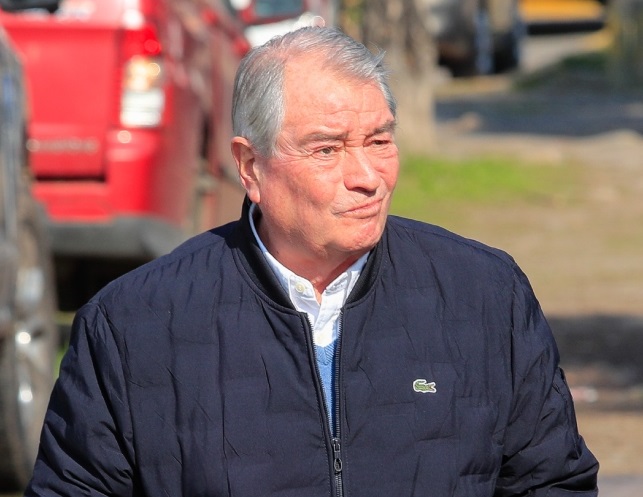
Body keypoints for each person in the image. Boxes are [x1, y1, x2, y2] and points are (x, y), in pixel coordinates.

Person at [26, 26, 598, 497]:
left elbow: (552, 482)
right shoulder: (133, 325)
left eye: (379, 141)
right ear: (251, 168)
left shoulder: (485, 295)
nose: (368, 177)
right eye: (327, 149)